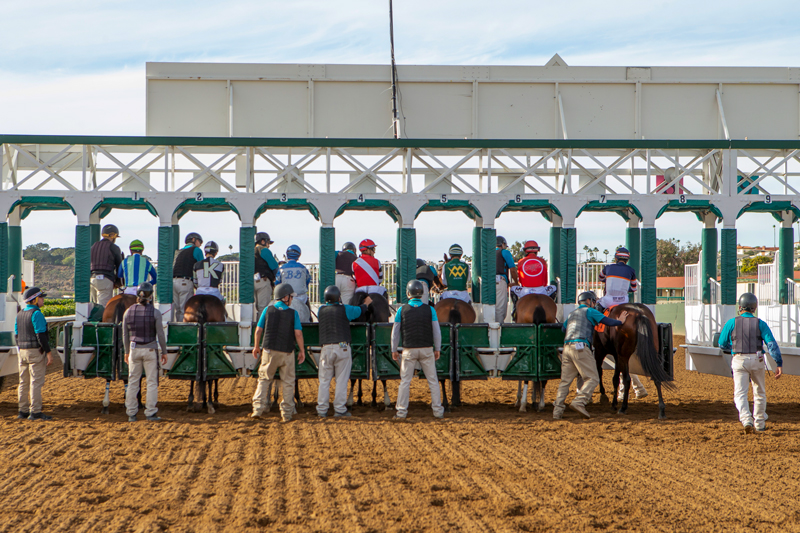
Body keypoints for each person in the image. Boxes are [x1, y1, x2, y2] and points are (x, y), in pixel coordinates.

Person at [553, 291, 628, 420]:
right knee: (593, 378)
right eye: (593, 301)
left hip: (567, 348)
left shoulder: (572, 314)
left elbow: (563, 329)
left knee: (565, 381)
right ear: (588, 301)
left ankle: (557, 411)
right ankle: (579, 401)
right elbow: (607, 321)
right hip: (580, 347)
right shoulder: (590, 311)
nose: (594, 304)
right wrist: (620, 321)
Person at [718, 293, 782, 434]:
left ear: (740, 307)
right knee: (759, 392)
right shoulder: (760, 323)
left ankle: (746, 419)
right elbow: (771, 344)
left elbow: (721, 344)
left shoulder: (731, 322)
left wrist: (733, 349)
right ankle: (759, 422)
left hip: (739, 360)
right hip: (757, 359)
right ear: (754, 308)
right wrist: (778, 362)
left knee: (740, 393)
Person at [251, 283, 305, 423]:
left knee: (264, 379)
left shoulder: (267, 310)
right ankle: (286, 414)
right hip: (287, 352)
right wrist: (302, 350)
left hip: (269, 351)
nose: (292, 299)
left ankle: (257, 409)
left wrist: (256, 346)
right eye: (291, 297)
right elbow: (298, 334)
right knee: (288, 382)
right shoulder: (294, 313)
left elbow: (258, 330)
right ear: (285, 297)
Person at [392, 280, 445, 420]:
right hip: (427, 349)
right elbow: (436, 331)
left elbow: (395, 332)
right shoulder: (430, 309)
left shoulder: (401, 310)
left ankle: (401, 412)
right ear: (421, 294)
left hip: (408, 350)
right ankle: (438, 411)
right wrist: (437, 348)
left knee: (405, 381)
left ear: (408, 293)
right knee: (432, 380)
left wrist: (393, 349)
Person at [316, 285, 371, 418]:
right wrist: (366, 304)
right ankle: (339, 409)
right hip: (342, 347)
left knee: (324, 380)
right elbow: (359, 311)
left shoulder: (320, 310)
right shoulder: (345, 309)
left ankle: (322, 410)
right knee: (341, 380)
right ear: (338, 297)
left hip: (326, 348)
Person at [122, 282, 167, 422]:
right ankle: (150, 412)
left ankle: (131, 413)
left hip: (134, 349)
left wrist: (126, 351)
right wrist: (164, 351)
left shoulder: (128, 311)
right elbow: (160, 334)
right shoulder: (155, 312)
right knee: (152, 382)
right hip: (150, 349)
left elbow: (125, 334)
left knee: (133, 381)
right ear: (150, 296)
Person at [15, 287, 55, 420]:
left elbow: (16, 335)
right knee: (36, 382)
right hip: (35, 351)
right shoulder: (37, 314)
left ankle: (22, 411)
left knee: (23, 382)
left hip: (22, 351)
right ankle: (36, 412)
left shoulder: (19, 314)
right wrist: (48, 352)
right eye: (41, 297)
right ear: (35, 299)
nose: (43, 300)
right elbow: (41, 336)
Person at [90, 224, 123, 308]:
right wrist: (119, 282)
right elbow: (120, 267)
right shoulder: (114, 247)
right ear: (112, 235)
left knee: (94, 306)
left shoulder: (93, 246)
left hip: (92, 279)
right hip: (105, 279)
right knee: (104, 308)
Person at [172, 232, 204, 321]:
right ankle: (183, 330)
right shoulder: (197, 250)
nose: (200, 244)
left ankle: (177, 328)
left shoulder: (178, 251)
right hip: (185, 282)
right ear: (194, 240)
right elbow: (201, 267)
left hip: (173, 282)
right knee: (185, 309)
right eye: (200, 242)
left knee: (177, 310)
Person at [276, 245, 311, 322]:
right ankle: (310, 319)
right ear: (298, 255)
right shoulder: (303, 268)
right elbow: (307, 280)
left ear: (287, 255)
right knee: (308, 311)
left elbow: (277, 283)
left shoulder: (281, 268)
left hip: (286, 298)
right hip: (302, 298)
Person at [596, 247, 638, 312]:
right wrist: (626, 289)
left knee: (597, 306)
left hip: (608, 301)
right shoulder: (631, 270)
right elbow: (634, 289)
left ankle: (597, 322)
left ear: (616, 258)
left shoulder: (608, 267)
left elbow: (600, 278)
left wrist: (607, 281)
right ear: (627, 260)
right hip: (624, 302)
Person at [254, 231, 279, 318]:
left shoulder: (250, 252)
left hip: (251, 282)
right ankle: (262, 329)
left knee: (254, 307)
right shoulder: (264, 250)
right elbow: (274, 267)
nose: (268, 245)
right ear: (263, 241)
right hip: (263, 282)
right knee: (263, 308)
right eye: (268, 242)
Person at [495, 236, 518, 323]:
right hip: (500, 281)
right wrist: (516, 282)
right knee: (500, 309)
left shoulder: (488, 253)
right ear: (503, 244)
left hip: (488, 282)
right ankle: (498, 332)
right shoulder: (504, 252)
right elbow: (512, 269)